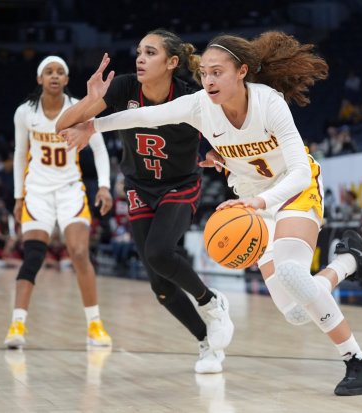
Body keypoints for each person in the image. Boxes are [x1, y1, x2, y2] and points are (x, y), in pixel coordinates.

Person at [60, 31, 362, 395]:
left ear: (242, 72)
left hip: (292, 191)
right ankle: (349, 262)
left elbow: (298, 170)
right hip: (250, 199)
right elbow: (148, 116)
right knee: (296, 312)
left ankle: (357, 360)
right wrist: (93, 124)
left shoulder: (269, 103)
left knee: (294, 272)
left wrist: (263, 202)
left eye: (217, 72)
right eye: (204, 73)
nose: (208, 80)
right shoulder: (200, 105)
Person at [57, 29, 234, 374]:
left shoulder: (191, 95)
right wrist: (89, 99)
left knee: (158, 253)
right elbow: (63, 126)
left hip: (180, 184)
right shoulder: (123, 87)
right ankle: (206, 342)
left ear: (171, 62)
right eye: (139, 51)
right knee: (160, 286)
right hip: (139, 186)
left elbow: (225, 130)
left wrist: (217, 152)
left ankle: (211, 302)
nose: (140, 58)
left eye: (150, 53)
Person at [3, 55, 114, 349]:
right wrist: (18, 196)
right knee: (34, 256)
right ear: (40, 79)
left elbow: (100, 149)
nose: (54, 75)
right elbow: (18, 156)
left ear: (66, 80)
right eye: (48, 71)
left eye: (60, 72)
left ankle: (95, 325)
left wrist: (104, 187)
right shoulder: (25, 113)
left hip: (69, 189)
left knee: (79, 253)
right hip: (37, 190)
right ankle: (17, 324)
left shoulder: (78, 108)